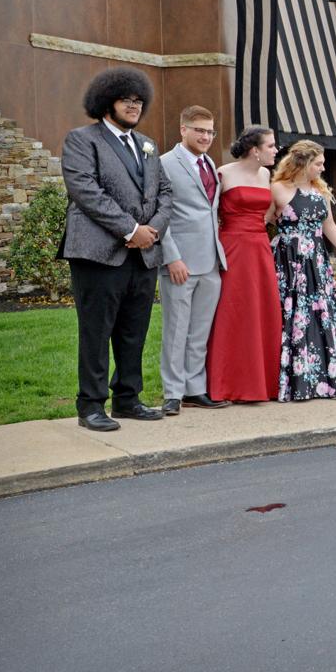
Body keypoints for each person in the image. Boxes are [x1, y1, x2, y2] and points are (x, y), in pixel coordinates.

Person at [57, 66, 172, 432]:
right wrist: (130, 229)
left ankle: (127, 398)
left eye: (139, 101)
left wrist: (152, 230)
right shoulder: (81, 140)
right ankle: (90, 406)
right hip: (98, 253)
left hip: (144, 254)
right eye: (127, 100)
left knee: (133, 329)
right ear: (107, 102)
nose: (134, 106)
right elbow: (86, 191)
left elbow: (166, 193)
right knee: (96, 330)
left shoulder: (147, 145)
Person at [271, 140, 336, 401]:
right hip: (289, 263)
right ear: (302, 163)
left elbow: (330, 227)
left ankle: (324, 378)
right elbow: (262, 222)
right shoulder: (277, 189)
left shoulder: (321, 192)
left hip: (317, 262)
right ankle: (293, 381)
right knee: (294, 316)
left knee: (322, 315)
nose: (323, 167)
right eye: (318, 163)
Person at [157, 105, 229, 415]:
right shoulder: (163, 164)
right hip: (180, 263)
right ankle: (172, 393)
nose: (205, 136)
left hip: (211, 260)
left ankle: (194, 389)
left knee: (200, 331)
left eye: (210, 131)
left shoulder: (210, 163)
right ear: (183, 129)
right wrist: (172, 257)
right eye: (199, 130)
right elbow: (160, 215)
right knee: (176, 331)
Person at [205, 126, 282, 402]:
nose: (275, 150)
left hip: (260, 248)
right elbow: (208, 215)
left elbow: (270, 213)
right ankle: (227, 384)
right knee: (233, 312)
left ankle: (263, 384)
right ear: (255, 150)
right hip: (233, 248)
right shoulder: (223, 173)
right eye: (271, 146)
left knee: (261, 312)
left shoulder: (265, 174)